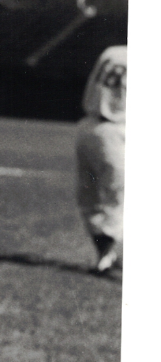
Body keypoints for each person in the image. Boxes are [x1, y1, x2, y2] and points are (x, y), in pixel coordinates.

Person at [75, 45, 126, 273]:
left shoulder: (112, 52)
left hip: (88, 126)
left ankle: (105, 253)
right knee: (118, 193)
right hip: (116, 129)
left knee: (90, 196)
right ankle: (107, 255)